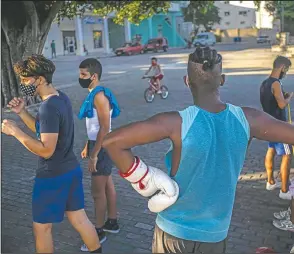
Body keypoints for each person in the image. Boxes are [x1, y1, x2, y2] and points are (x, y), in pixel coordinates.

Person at [102, 46, 294, 253]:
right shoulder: (249, 119)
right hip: (215, 235)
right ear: (222, 80)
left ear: (187, 81)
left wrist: (145, 178)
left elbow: (112, 142)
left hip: (173, 231)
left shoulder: (175, 122)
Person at [1, 55, 101, 253]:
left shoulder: (48, 107)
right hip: (70, 170)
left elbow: (47, 149)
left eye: (25, 79)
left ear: (39, 79)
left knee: (42, 228)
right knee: (80, 219)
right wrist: (22, 113)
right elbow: (45, 132)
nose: (22, 84)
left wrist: (16, 132)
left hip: (52, 175)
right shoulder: (60, 97)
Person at [78, 58, 120, 252]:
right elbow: (94, 126)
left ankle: (98, 231)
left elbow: (104, 127)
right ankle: (112, 222)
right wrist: (89, 144)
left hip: (102, 145)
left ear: (94, 76)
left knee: (97, 193)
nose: (80, 78)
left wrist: (95, 154)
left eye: (83, 75)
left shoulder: (99, 96)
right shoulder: (95, 94)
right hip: (98, 143)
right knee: (108, 184)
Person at [260, 55, 293, 200]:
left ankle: (270, 182)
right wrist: (288, 98)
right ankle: (285, 191)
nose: (286, 72)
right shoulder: (276, 84)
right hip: (280, 126)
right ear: (282, 68)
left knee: (271, 151)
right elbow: (281, 104)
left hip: (268, 123)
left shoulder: (265, 83)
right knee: (287, 155)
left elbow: (271, 101)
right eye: (286, 69)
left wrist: (281, 97)